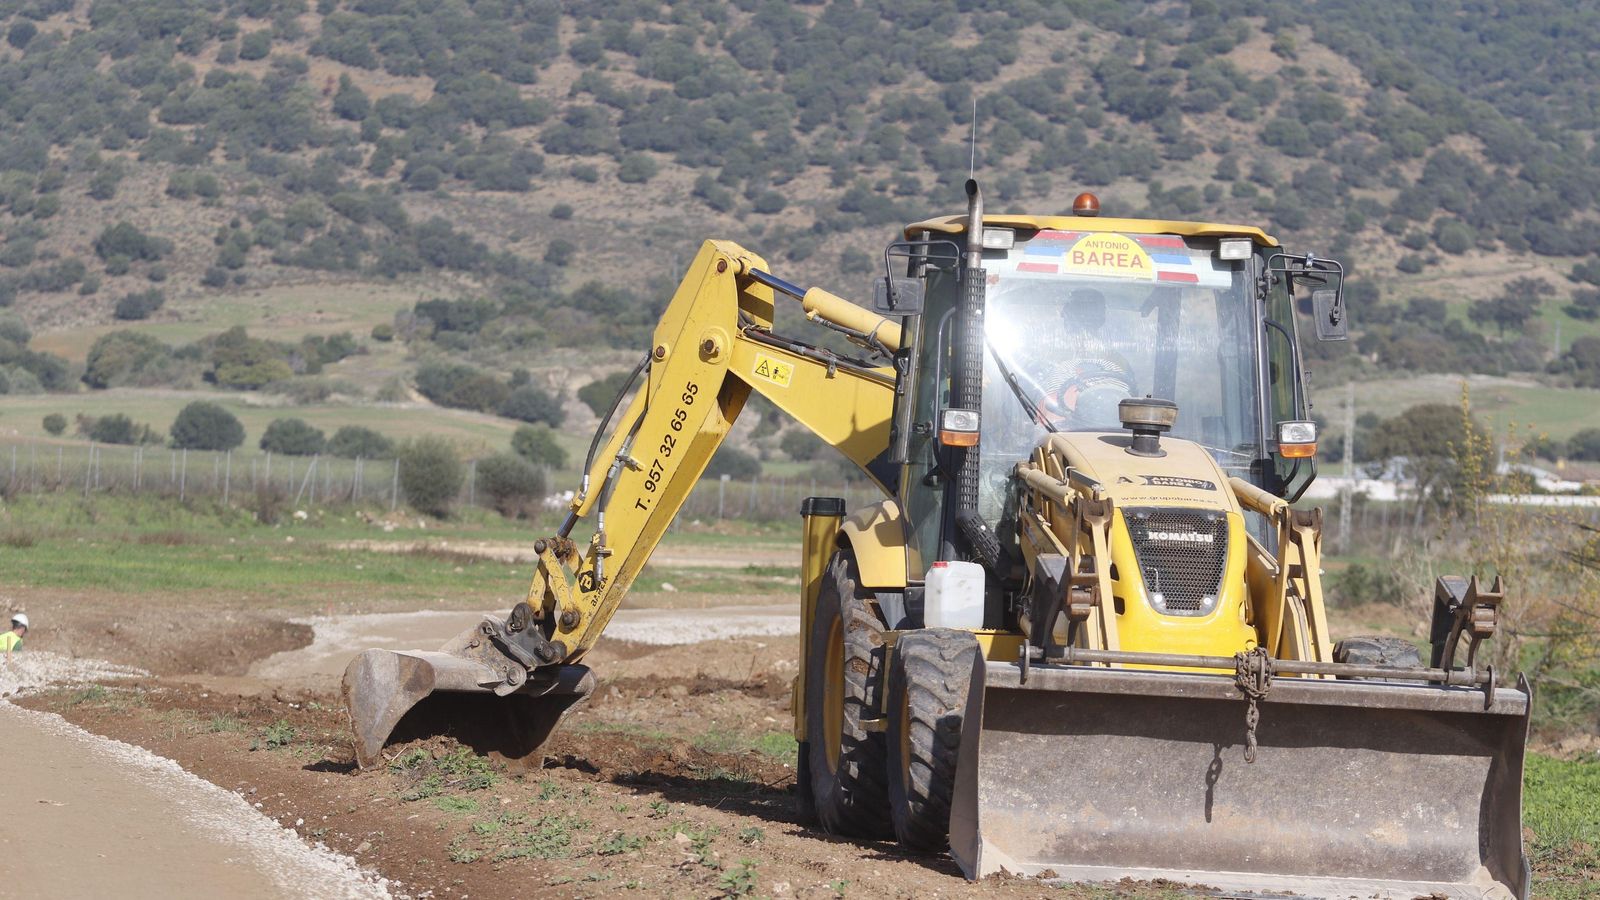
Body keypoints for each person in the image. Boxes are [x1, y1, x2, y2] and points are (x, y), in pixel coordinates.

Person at [1036, 288, 1135, 430]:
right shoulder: (1118, 363)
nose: (1063, 316)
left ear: (1068, 316)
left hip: (1086, 436)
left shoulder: (1051, 359)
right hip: (1065, 435)